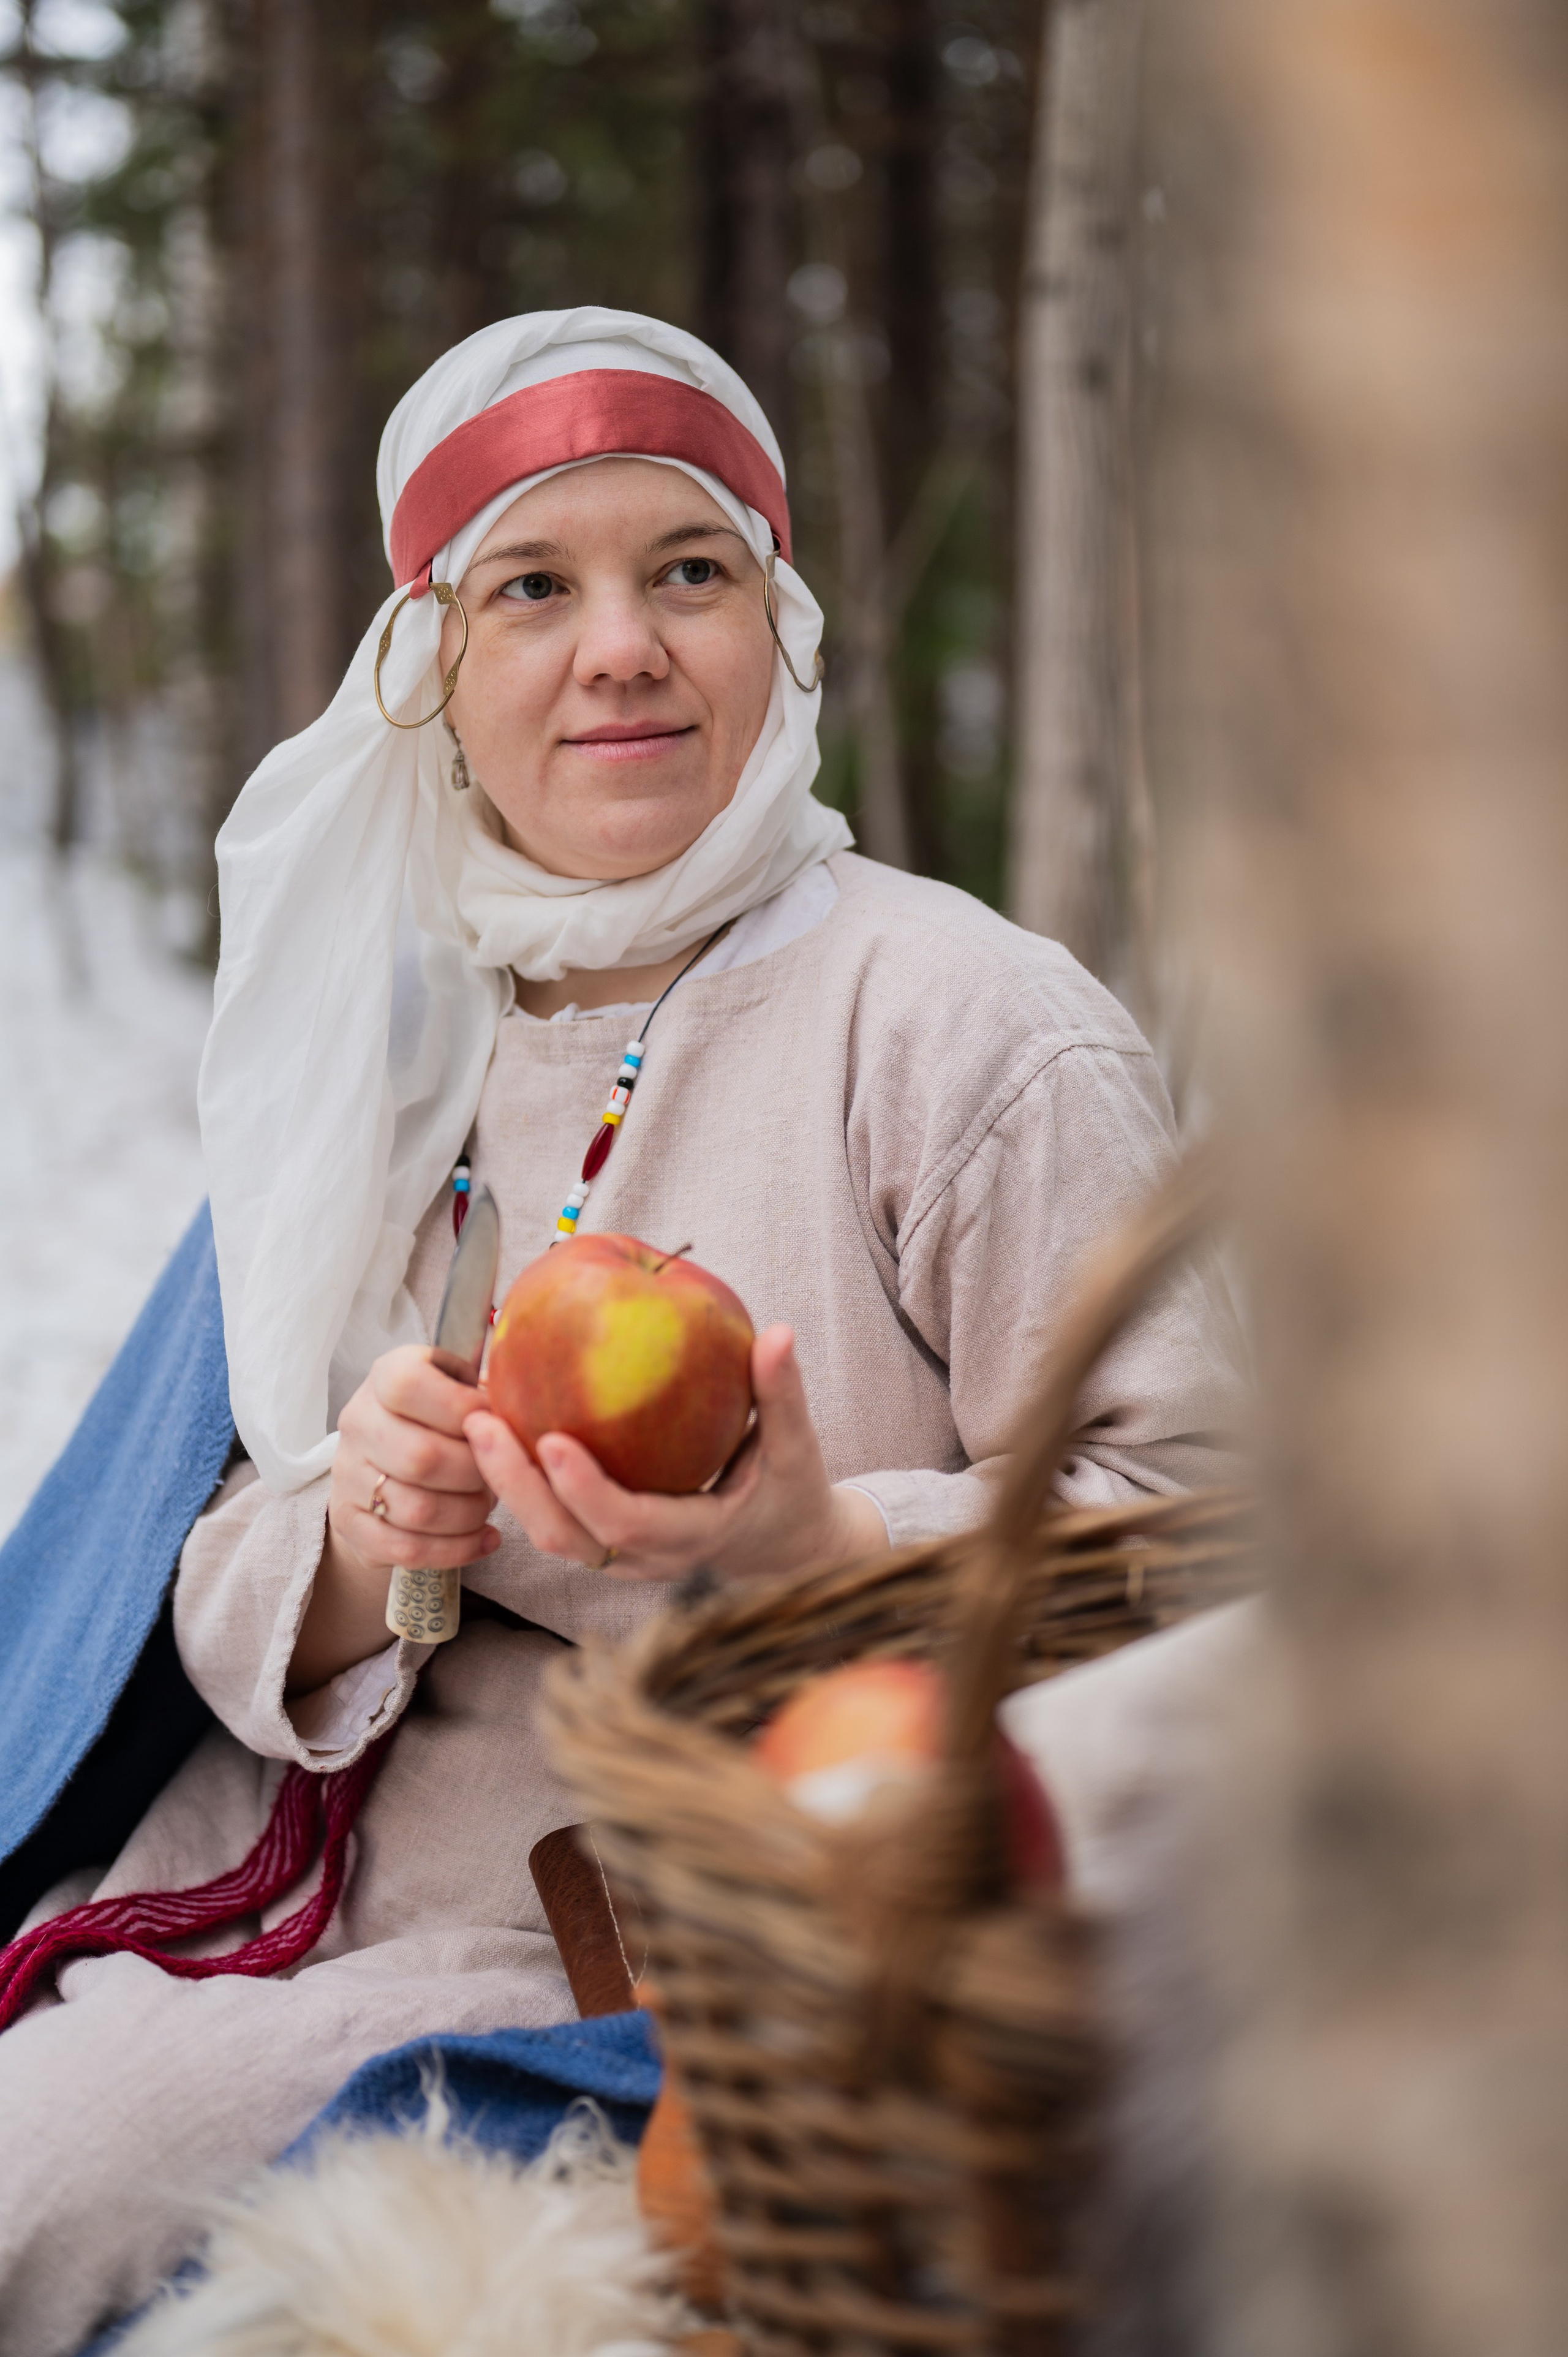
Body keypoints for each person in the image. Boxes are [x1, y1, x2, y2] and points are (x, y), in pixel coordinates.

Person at [0, 308, 1236, 2356]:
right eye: (532, 591)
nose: (622, 649)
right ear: (437, 676)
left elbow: (1219, 1544)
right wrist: (355, 1549)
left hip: (704, 1928)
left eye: (691, 572)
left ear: (786, 628)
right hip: (272, 1875)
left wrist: (817, 1559)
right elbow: (182, 1554)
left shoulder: (957, 1019)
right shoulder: (374, 1049)